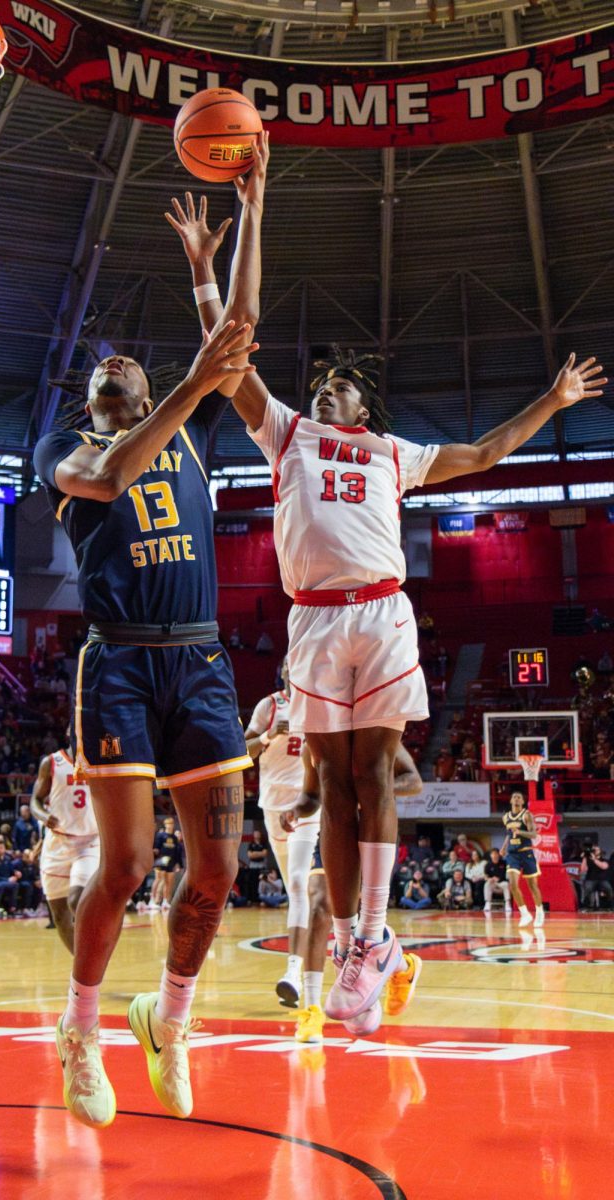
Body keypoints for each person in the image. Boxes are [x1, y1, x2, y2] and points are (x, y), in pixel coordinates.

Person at [168, 127, 605, 1027]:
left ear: (366, 404)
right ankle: (369, 941)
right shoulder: (287, 432)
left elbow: (484, 451)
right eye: (320, 381)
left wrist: (554, 403)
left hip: (379, 613)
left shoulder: (395, 453)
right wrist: (211, 266)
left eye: (340, 385)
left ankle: (369, 936)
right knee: (331, 786)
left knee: (373, 770)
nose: (325, 388)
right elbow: (229, 359)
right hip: (314, 623)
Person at [32, 320, 257, 1128]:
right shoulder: (61, 445)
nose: (115, 361)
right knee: (124, 862)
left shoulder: (195, 428)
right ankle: (80, 1030)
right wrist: (191, 383)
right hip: (120, 661)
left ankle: (168, 1020)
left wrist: (252, 205)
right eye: (103, 366)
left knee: (219, 870)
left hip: (199, 662)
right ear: (96, 399)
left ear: (151, 392)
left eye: (128, 360)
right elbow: (113, 474)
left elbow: (239, 326)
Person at [292, 743, 424, 1044]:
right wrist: (296, 810)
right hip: (333, 831)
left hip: (373, 830)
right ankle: (313, 1010)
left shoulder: (371, 731)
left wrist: (371, 788)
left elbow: (414, 781)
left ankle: (403, 968)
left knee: (365, 928)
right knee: (318, 907)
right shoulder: (310, 745)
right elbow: (311, 797)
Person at [245, 658, 318, 1006]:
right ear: (284, 671)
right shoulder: (269, 705)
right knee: (295, 891)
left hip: (307, 804)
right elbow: (242, 751)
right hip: (272, 808)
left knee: (301, 885)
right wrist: (267, 735)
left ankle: (293, 973)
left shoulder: (318, 704)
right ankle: (312, 961)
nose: (296, 669)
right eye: (291, 665)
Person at [30, 748, 100, 951]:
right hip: (57, 842)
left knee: (77, 900)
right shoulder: (51, 762)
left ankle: (92, 960)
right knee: (60, 916)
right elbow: (35, 800)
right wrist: (44, 816)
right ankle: (81, 967)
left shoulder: (100, 761)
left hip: (90, 841)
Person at [502, 790, 545, 927]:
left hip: (526, 853)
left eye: (519, 797)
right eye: (514, 797)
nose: (516, 799)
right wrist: (503, 847)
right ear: (510, 801)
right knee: (512, 884)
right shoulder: (505, 817)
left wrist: (520, 831)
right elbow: (509, 834)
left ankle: (539, 911)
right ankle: (525, 914)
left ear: (522, 801)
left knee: (532, 885)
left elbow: (533, 835)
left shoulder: (527, 815)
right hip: (513, 854)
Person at [151, 817, 183, 910]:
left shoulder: (174, 838)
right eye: (168, 824)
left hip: (171, 862)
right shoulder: (160, 835)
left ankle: (166, 901)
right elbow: (156, 849)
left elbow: (177, 853)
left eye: (171, 824)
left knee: (169, 882)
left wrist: (179, 864)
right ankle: (152, 900)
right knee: (158, 879)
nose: (170, 826)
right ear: (165, 825)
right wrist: (157, 856)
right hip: (161, 861)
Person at [580, 845, 613, 909]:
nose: (594, 851)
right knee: (587, 888)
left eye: (596, 850)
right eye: (593, 850)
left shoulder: (604, 860)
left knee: (608, 888)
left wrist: (594, 859)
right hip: (590, 879)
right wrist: (585, 858)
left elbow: (604, 867)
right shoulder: (588, 860)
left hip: (602, 880)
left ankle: (610, 906)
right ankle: (586, 906)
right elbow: (583, 870)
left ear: (600, 851)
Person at [483, 848, 512, 914]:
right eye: (493, 854)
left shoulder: (504, 863)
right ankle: (487, 903)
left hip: (502, 882)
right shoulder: (488, 865)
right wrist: (489, 879)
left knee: (506, 884)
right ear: (490, 855)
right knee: (487, 884)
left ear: (498, 855)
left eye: (496, 853)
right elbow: (485, 876)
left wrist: (499, 879)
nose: (495, 855)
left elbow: (507, 874)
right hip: (493, 883)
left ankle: (507, 903)